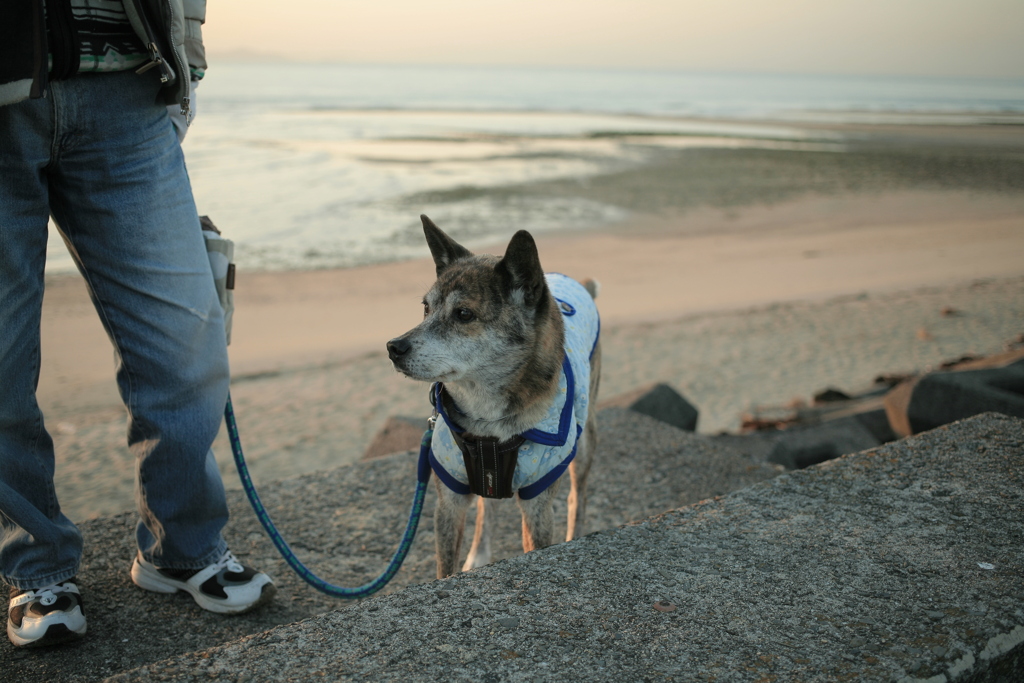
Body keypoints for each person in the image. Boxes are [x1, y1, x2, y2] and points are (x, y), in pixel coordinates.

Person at [1, 0, 275, 648]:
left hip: (128, 83)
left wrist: (189, 57)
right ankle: (36, 568)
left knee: (186, 345)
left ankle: (181, 548)